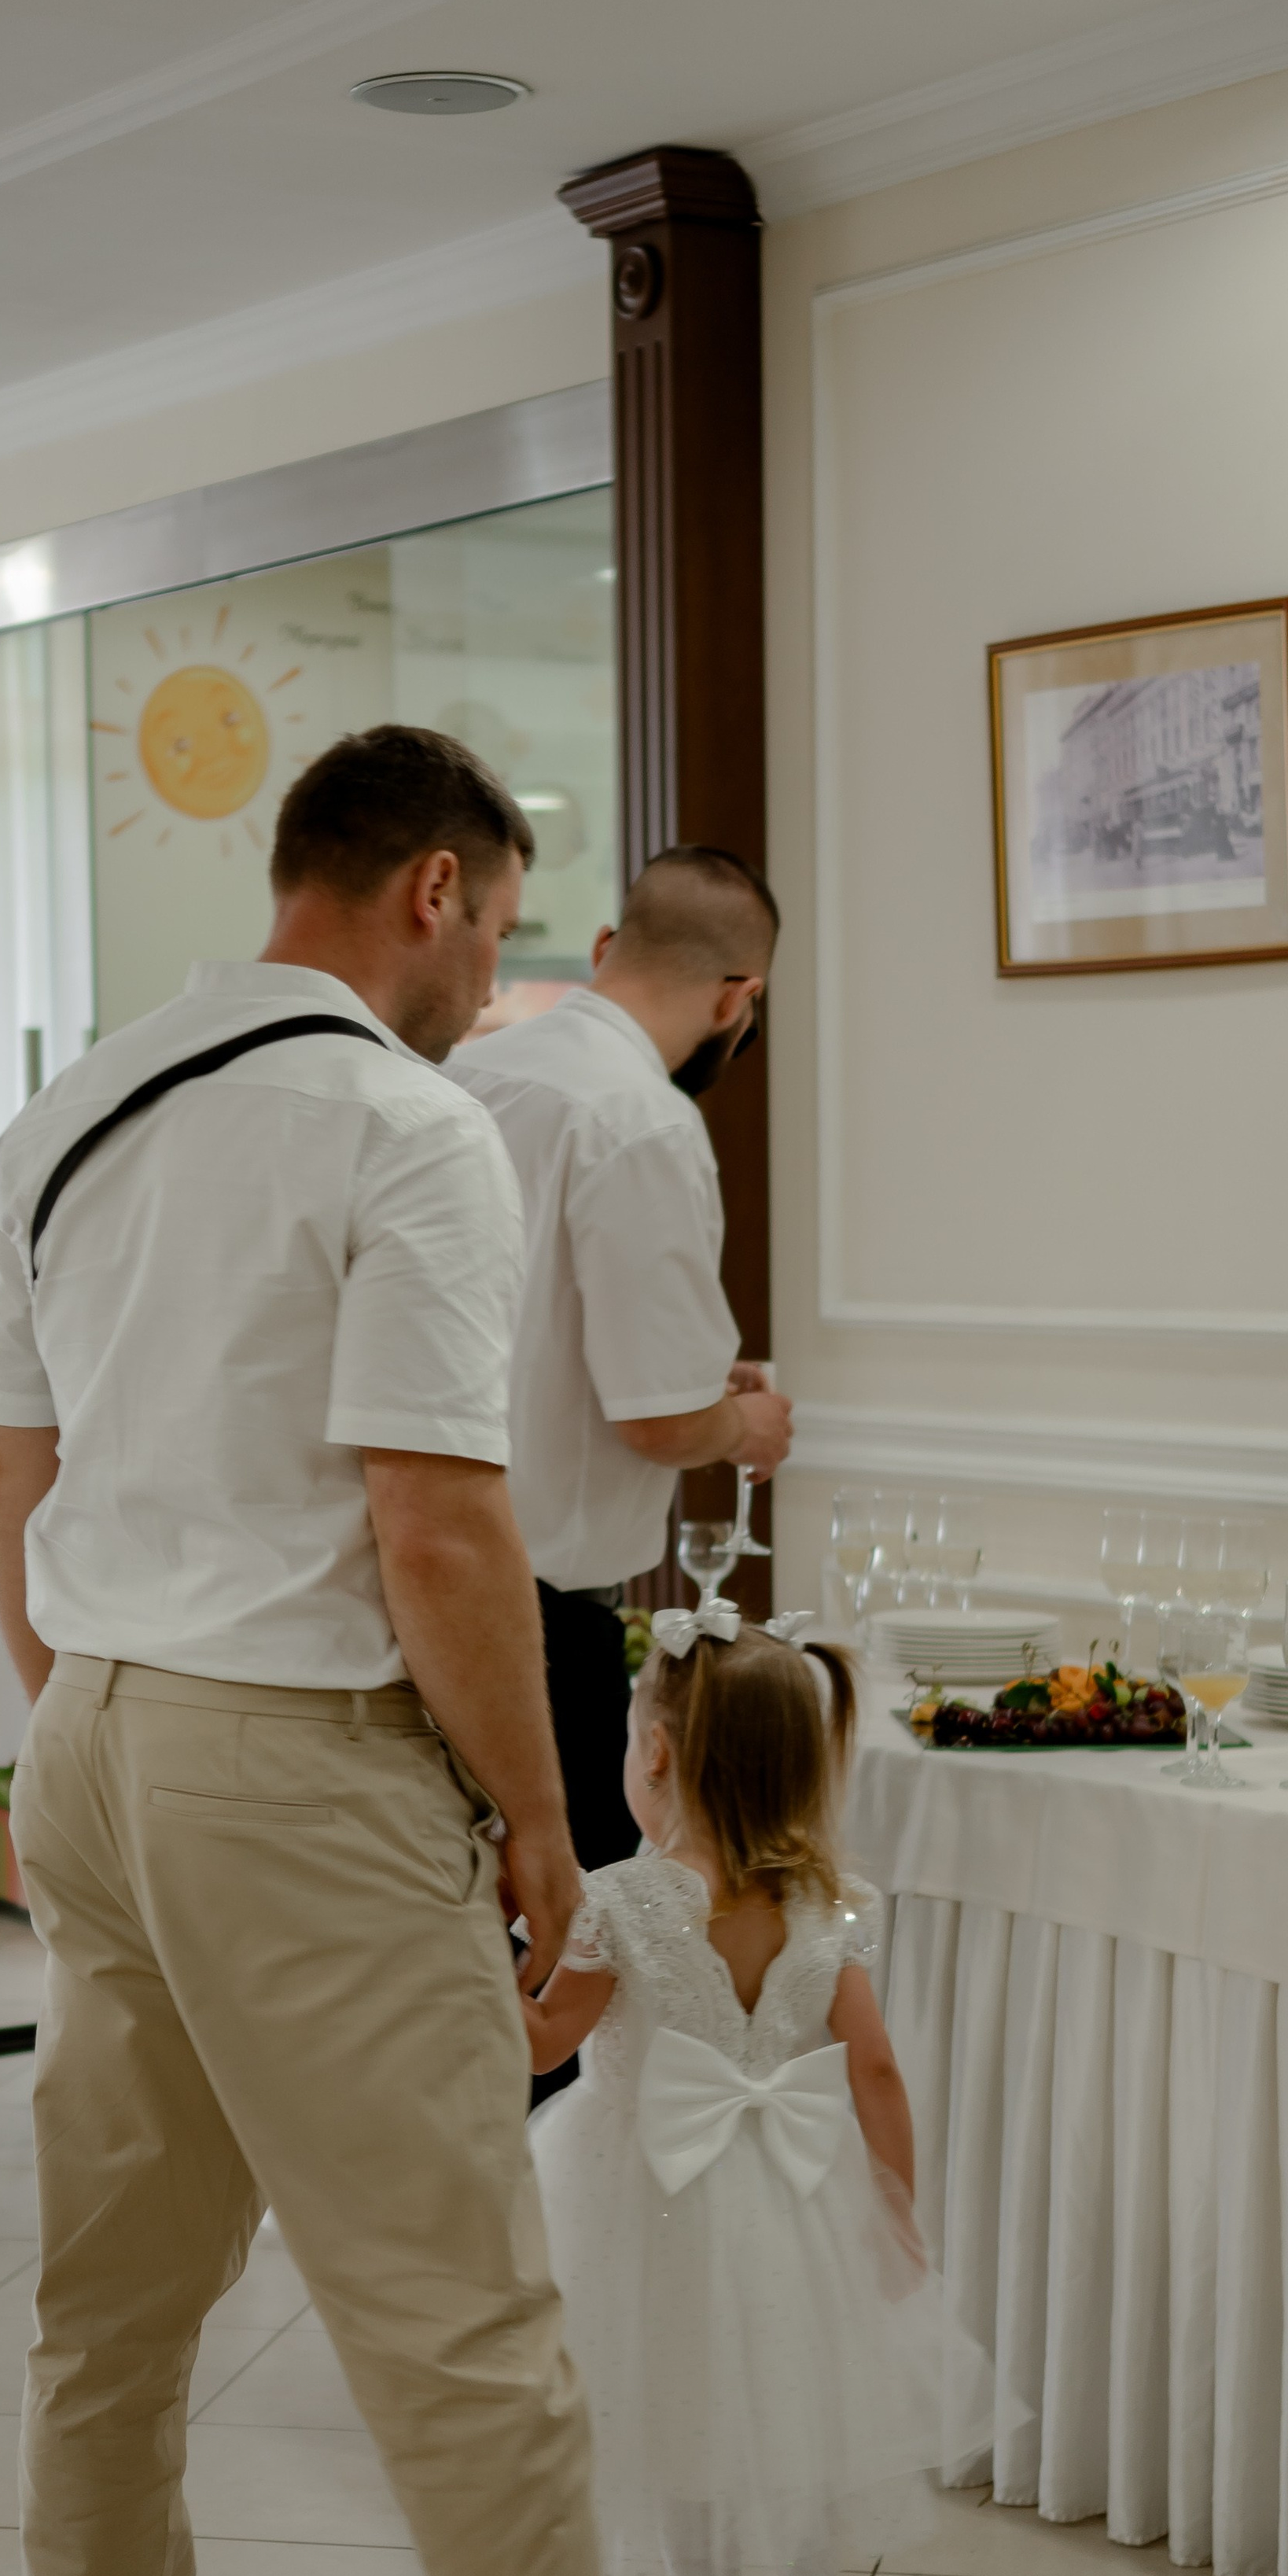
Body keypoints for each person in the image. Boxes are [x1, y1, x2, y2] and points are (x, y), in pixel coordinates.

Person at [0, 725, 865, 2576]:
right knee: (455, 2307)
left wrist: (93, 1717)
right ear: (434, 891)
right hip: (298, 1762)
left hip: (92, 1734)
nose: (499, 987)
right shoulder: (402, 1122)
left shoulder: (72, 1110)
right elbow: (439, 1524)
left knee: (109, 2315)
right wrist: (541, 1825)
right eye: (499, 932)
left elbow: (11, 1472)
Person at [519, 1602, 975, 2576]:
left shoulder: (622, 1902)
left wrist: (484, 1959)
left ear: (655, 1752)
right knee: (790, 2421)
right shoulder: (828, 1903)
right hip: (793, 2197)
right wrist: (894, 2214)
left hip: (647, 2208)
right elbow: (875, 2069)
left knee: (683, 2441)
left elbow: (543, 2041)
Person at [447, 848, 791, 2099]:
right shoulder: (642, 1120)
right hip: (538, 1628)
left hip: (408, 1584)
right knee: (564, 1996)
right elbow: (656, 1421)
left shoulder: (466, 1073)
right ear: (739, 998)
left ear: (604, 949)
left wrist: (693, 1389)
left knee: (449, 1969)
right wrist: (743, 1425)